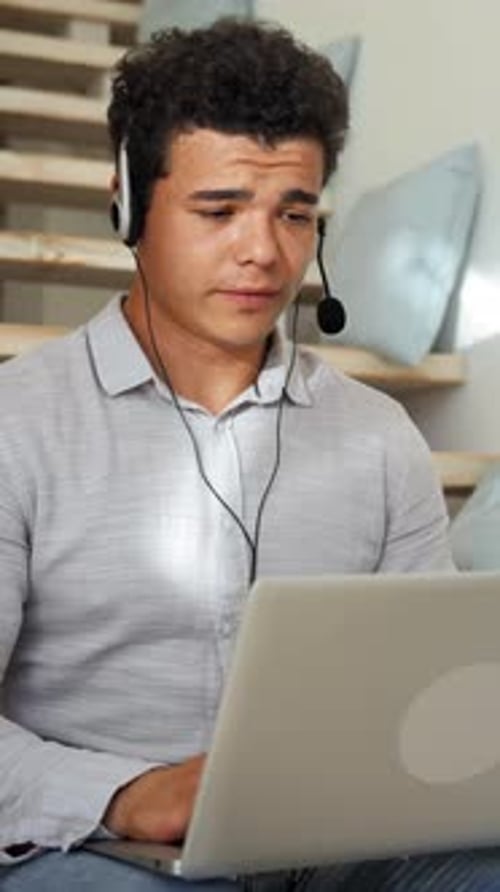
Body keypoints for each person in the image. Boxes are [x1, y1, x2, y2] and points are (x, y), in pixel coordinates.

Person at [3, 15, 492, 892]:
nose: (264, 252)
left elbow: (430, 705)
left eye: (294, 214)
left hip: (339, 842)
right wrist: (123, 794)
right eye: (219, 210)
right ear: (127, 207)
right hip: (101, 850)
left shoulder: (381, 438)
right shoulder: (18, 424)